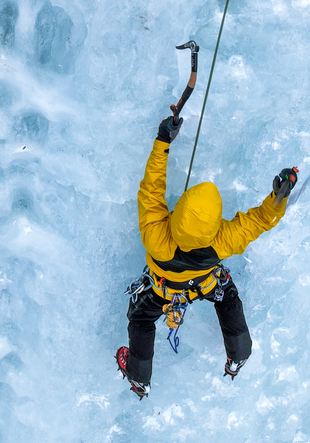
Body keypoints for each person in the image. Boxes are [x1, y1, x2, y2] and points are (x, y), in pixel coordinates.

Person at [115, 113, 297, 399]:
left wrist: (163, 140)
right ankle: (238, 354)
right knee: (228, 298)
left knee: (141, 319)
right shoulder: (222, 240)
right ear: (214, 225)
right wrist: (277, 198)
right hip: (205, 284)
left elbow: (152, 189)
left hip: (161, 290)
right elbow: (259, 221)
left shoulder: (156, 235)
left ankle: (139, 378)